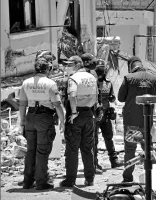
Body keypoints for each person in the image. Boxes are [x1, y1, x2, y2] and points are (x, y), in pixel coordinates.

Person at [18, 58, 65, 190]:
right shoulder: (50, 83)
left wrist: (22, 122)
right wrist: (63, 120)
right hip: (44, 118)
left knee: (31, 150)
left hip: (30, 117)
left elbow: (22, 104)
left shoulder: (26, 83)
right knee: (42, 151)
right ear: (48, 69)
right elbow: (57, 104)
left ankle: (27, 181)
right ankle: (41, 182)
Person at [118, 56, 156, 182]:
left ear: (131, 66)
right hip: (146, 121)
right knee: (148, 149)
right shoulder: (154, 78)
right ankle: (155, 177)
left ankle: (127, 178)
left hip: (131, 121)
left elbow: (120, 98)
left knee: (130, 150)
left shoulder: (128, 78)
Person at [60, 56, 98, 187]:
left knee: (72, 148)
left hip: (76, 115)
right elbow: (96, 96)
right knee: (87, 148)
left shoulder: (73, 79)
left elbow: (72, 95)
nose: (67, 67)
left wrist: (74, 112)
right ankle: (90, 178)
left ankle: (70, 180)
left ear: (77, 64)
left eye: (70, 64)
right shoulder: (92, 77)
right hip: (89, 113)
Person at [93, 62, 123, 173]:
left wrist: (112, 99)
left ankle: (114, 161)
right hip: (95, 116)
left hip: (105, 115)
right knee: (94, 140)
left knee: (108, 138)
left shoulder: (108, 83)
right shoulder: (92, 83)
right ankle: (94, 162)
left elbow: (112, 98)